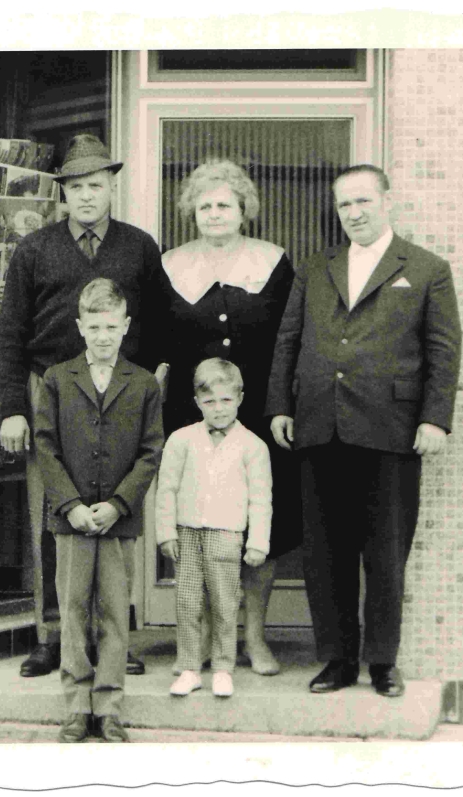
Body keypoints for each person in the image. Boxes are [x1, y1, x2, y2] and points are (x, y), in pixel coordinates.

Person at [265, 164, 462, 698]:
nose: (353, 213)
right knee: (324, 553)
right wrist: (281, 405)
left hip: (391, 430)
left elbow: (443, 352)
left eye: (362, 202)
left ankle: (381, 663)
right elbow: (289, 339)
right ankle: (335, 659)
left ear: (386, 201)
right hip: (318, 426)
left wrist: (434, 418)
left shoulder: (425, 269)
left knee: (385, 552)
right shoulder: (316, 267)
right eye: (344, 205)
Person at [0, 134, 165, 679]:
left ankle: (113, 638)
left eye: (96, 185)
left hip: (117, 400)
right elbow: (10, 333)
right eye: (76, 188)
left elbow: (161, 326)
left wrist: (151, 385)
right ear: (62, 194)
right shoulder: (35, 249)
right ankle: (55, 637)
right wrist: (13, 409)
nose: (86, 196)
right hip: (52, 397)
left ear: (111, 187)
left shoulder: (139, 247)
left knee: (116, 517)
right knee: (54, 518)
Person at [154, 160, 298, 676]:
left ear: (243, 210)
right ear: (192, 210)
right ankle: (206, 642)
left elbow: (290, 340)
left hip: (259, 414)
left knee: (263, 526)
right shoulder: (169, 265)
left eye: (225, 204)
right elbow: (154, 343)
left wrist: (283, 405)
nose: (215, 213)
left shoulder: (273, 262)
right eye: (205, 204)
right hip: (189, 417)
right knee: (200, 522)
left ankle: (253, 638)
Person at [32, 278, 164, 743]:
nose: (103, 336)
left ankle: (108, 706)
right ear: (80, 327)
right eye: (94, 326)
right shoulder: (57, 379)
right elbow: (45, 446)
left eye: (112, 326)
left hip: (117, 519)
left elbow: (151, 452)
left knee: (113, 610)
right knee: (71, 609)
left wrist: (119, 504)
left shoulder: (143, 382)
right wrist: (70, 505)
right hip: (70, 521)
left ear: (125, 326)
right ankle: (76, 706)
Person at [155, 359, 272, 698]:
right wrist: (166, 532)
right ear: (196, 402)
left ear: (239, 398)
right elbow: (167, 489)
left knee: (224, 602)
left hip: (227, 534)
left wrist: (258, 542)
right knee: (188, 601)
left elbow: (260, 500)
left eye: (225, 400)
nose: (218, 409)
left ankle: (223, 667)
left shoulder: (253, 446)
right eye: (209, 402)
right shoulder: (181, 440)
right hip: (188, 533)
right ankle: (190, 666)